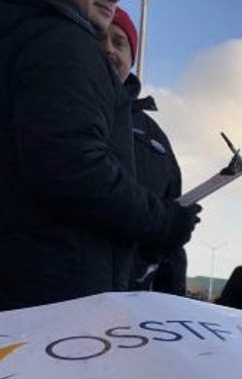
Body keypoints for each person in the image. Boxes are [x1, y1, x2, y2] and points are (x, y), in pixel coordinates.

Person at [0, 0, 200, 316]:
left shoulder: (8, 36)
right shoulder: (60, 40)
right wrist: (164, 222)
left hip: (4, 293)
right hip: (55, 300)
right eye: (104, 40)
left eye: (120, 43)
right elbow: (73, 168)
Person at [102, 8, 187, 295]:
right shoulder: (60, 106)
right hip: (63, 295)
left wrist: (172, 303)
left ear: (131, 59)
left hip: (133, 297)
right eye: (98, 38)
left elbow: (172, 230)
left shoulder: (156, 140)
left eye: (119, 42)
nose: (108, 49)